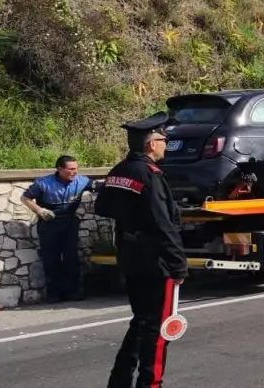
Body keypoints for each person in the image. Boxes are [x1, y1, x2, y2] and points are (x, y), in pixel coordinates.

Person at [97, 112, 189, 388]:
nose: (166, 143)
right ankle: (151, 383)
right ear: (151, 143)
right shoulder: (150, 175)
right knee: (159, 329)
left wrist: (130, 218)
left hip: (129, 255)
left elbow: (102, 207)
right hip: (155, 260)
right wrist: (178, 264)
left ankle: (119, 381)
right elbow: (164, 225)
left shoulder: (119, 170)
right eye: (163, 139)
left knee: (140, 321)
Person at [19, 155, 94, 303]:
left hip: (69, 224)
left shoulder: (82, 181)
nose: (74, 172)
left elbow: (102, 188)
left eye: (76, 169)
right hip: (49, 225)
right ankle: (54, 294)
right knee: (51, 259)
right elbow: (24, 198)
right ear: (60, 169)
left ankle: (73, 292)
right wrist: (40, 211)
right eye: (71, 169)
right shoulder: (43, 183)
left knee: (71, 258)